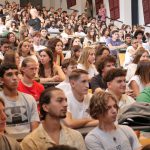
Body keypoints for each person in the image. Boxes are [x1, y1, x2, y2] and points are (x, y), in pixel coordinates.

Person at [21, 87, 86, 150]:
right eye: (60, 100)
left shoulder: (76, 136)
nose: (65, 104)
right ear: (45, 107)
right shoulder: (31, 142)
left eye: (66, 100)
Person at [0, 63, 40, 134]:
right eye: (9, 75)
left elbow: (35, 128)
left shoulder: (29, 99)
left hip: (28, 141)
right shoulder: (0, 100)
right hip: (6, 141)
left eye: (16, 74)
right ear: (1, 80)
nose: (15, 78)